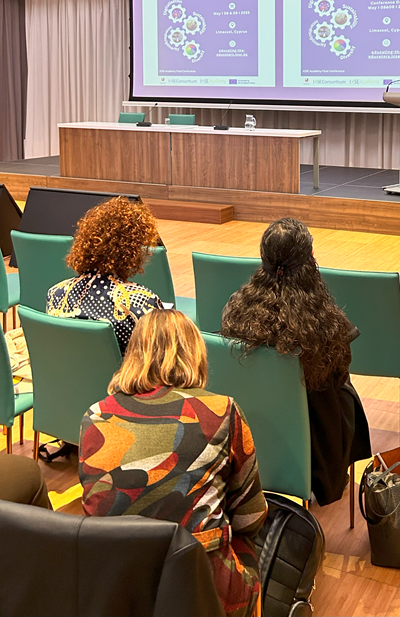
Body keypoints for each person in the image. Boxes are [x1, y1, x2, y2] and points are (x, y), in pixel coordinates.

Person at [79, 310, 266, 617]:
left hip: (112, 586)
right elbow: (251, 517)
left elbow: (97, 503)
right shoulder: (222, 411)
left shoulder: (95, 415)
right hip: (198, 585)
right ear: (195, 354)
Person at [221, 217, 372, 506]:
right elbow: (340, 377)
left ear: (263, 258)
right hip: (313, 435)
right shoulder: (327, 324)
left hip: (252, 420)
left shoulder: (236, 308)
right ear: (310, 261)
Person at [46, 195, 163, 354]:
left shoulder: (55, 294)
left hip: (65, 377)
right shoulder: (141, 302)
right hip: (121, 379)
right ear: (132, 253)